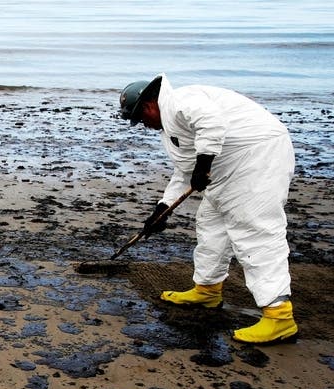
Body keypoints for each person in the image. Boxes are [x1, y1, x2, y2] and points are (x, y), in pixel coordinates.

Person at [119, 73, 298, 344]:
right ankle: (207, 290)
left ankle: (279, 317)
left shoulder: (182, 101)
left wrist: (204, 164)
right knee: (210, 222)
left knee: (254, 230)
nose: (143, 125)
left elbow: (211, 123)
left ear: (148, 106)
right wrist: (161, 210)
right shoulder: (171, 128)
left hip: (257, 156)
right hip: (228, 165)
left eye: (140, 118)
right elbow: (183, 172)